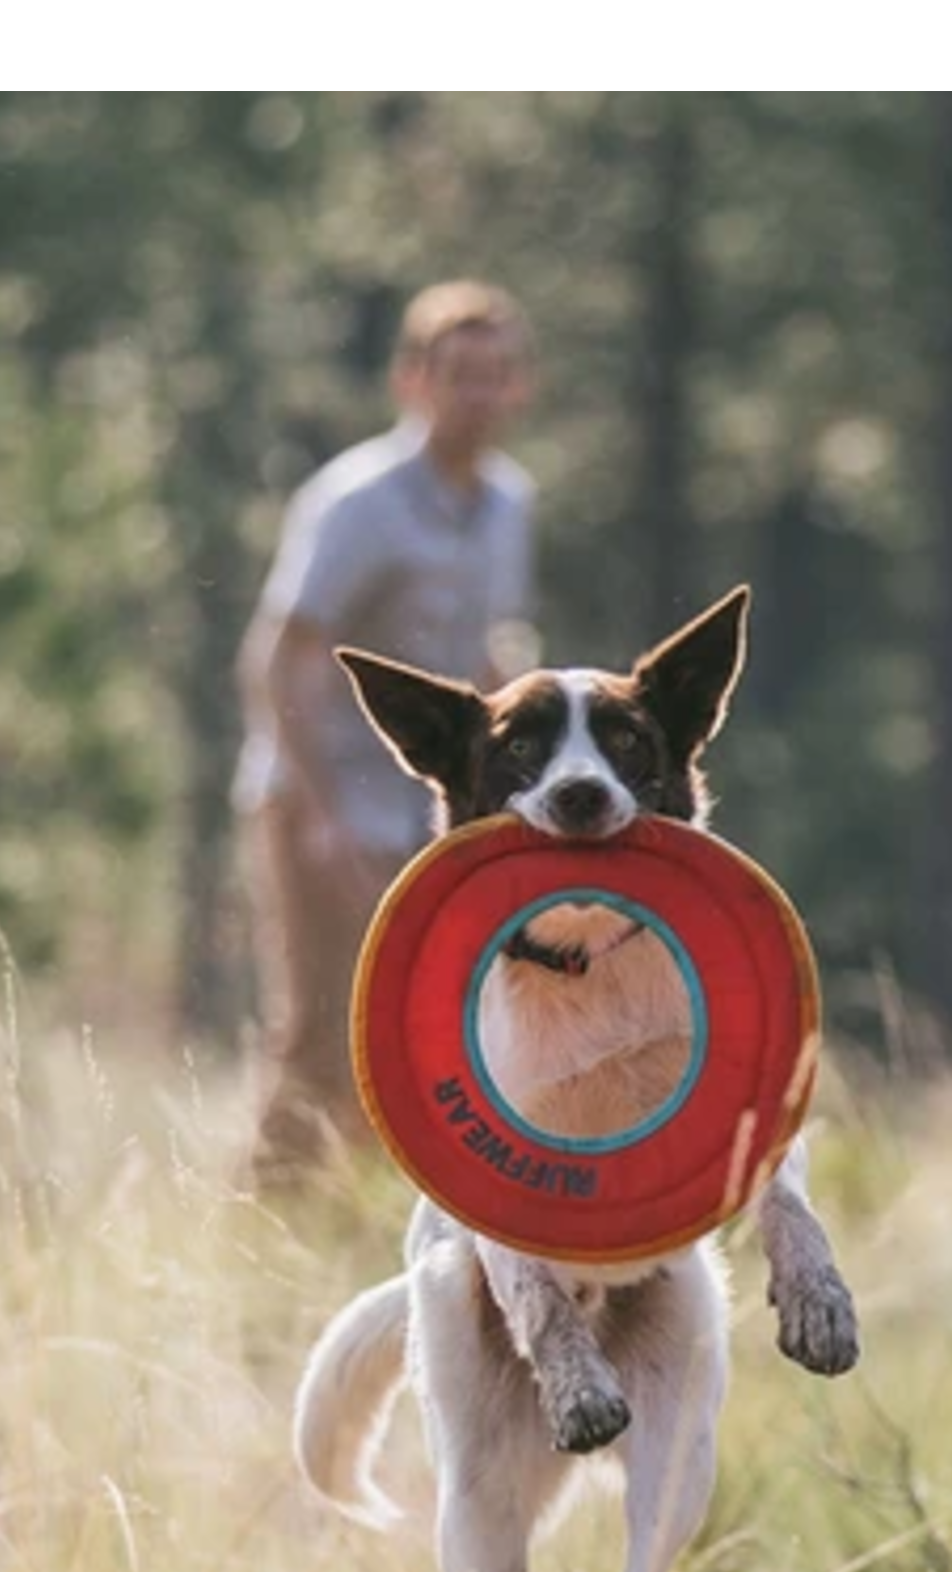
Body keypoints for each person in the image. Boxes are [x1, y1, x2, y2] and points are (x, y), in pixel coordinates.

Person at [233, 280, 540, 1185]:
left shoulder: (510, 505)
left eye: (494, 378)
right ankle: (265, 1216)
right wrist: (317, 815)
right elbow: (280, 656)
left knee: (413, 1023)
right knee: (321, 1025)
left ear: (518, 389)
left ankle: (362, 1220)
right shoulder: (358, 501)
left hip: (425, 807)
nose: (476, 397)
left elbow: (491, 654)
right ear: (413, 381)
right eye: (457, 376)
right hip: (322, 799)